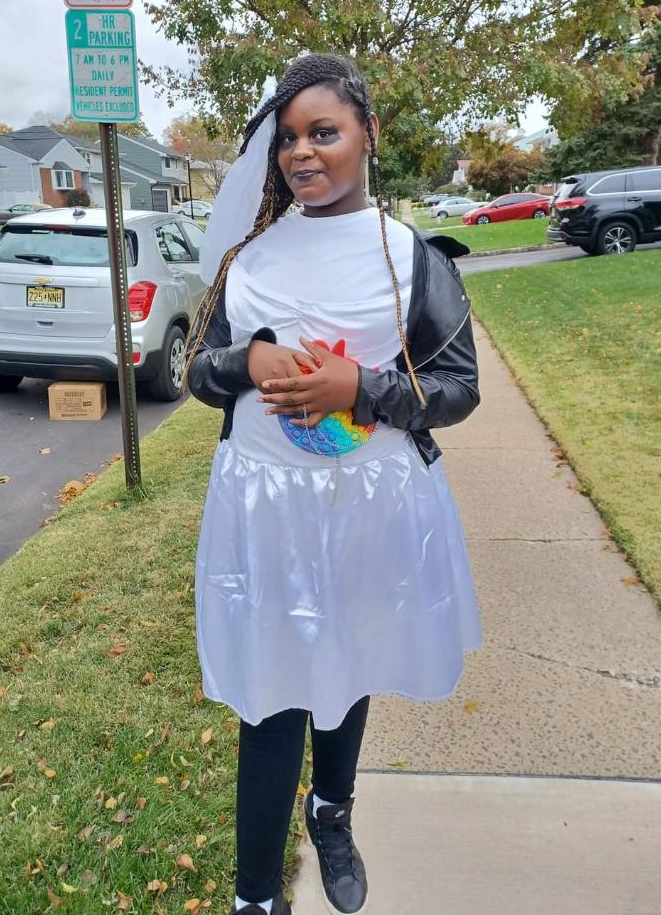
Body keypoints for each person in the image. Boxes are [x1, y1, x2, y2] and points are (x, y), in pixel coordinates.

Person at [183, 53, 483, 915]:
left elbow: (458, 388)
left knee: (349, 663)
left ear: (367, 134)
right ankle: (255, 897)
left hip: (369, 505)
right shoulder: (250, 259)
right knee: (273, 692)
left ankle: (331, 813)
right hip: (266, 506)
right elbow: (199, 371)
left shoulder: (408, 258)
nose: (301, 153)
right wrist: (247, 361)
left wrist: (363, 389)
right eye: (287, 139)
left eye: (323, 132)